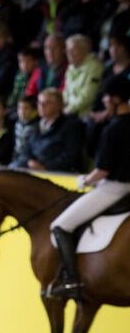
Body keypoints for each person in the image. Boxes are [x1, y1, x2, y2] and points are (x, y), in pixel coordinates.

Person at [48, 75, 130, 299]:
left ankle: (71, 281)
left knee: (60, 226)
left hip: (112, 188)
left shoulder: (114, 129)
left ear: (115, 98)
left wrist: (85, 180)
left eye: (106, 97)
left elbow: (103, 170)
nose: (104, 100)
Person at [15, 87, 85, 172]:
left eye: (47, 103)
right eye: (39, 103)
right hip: (33, 170)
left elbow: (71, 156)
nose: (41, 106)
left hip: (57, 173)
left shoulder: (71, 126)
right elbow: (25, 150)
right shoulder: (35, 125)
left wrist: (45, 167)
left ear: (58, 105)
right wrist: (29, 162)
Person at [62, 34, 104, 118]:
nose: (69, 53)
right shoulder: (71, 67)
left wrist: (68, 109)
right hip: (69, 112)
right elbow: (66, 92)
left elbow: (88, 96)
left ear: (85, 50)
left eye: (73, 49)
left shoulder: (95, 67)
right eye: (67, 50)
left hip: (85, 115)